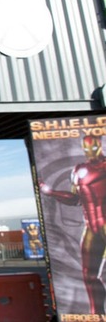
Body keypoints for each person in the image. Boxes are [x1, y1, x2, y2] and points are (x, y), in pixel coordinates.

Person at [40, 134, 106, 314]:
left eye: (94, 147)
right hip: (92, 227)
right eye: (87, 148)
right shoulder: (78, 170)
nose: (90, 151)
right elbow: (75, 199)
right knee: (89, 275)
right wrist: (50, 192)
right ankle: (97, 314)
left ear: (100, 146)